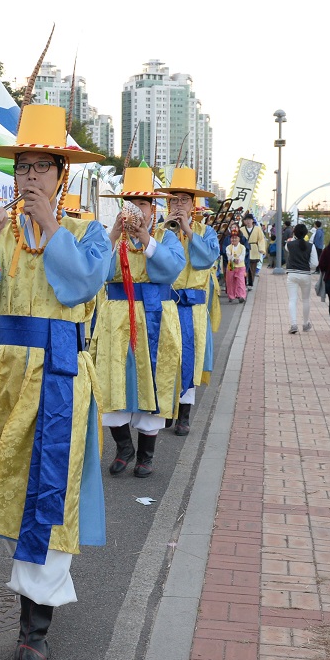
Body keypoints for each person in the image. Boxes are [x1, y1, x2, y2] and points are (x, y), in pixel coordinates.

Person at [0, 103, 110, 660]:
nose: (30, 177)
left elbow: (84, 284)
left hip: (60, 377)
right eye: (23, 166)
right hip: (5, 376)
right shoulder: (2, 230)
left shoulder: (88, 232)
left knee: (50, 489)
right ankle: (30, 610)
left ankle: (34, 627)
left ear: (62, 174)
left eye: (42, 166)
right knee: (15, 486)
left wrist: (50, 226)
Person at [91, 164, 182, 477]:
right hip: (116, 317)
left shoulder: (165, 238)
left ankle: (146, 454)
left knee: (151, 381)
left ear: (153, 208)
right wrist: (113, 234)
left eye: (142, 203)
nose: (135, 209)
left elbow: (171, 270)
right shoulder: (110, 237)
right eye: (129, 202)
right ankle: (123, 446)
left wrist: (146, 238)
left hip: (154, 317)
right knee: (114, 380)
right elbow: (95, 273)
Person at [163, 167, 220, 435]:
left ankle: (184, 413)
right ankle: (165, 408)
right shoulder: (160, 231)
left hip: (193, 308)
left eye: (184, 200)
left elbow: (205, 259)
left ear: (193, 203)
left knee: (190, 358)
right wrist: (170, 232)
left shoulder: (206, 232)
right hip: (166, 305)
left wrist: (187, 229)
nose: (178, 205)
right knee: (166, 358)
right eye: (174, 200)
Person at [284, 223, 319, 335]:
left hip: (292, 274)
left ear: (294, 233)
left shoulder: (289, 244)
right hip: (305, 274)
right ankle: (305, 323)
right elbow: (315, 263)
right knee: (305, 300)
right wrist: (310, 269)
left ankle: (293, 324)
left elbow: (287, 247)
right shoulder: (311, 246)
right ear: (306, 234)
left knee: (292, 300)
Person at [224, 227, 248, 303]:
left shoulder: (242, 247)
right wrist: (233, 259)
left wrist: (239, 260)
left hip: (240, 266)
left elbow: (242, 255)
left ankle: (241, 295)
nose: (234, 240)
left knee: (240, 281)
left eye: (235, 238)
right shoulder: (228, 247)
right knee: (230, 281)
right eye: (232, 238)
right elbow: (228, 255)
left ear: (239, 239)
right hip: (231, 265)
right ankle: (231, 295)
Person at [242, 213, 266, 287]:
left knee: (252, 268)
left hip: (254, 249)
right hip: (244, 250)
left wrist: (261, 249)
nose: (248, 221)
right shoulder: (241, 229)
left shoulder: (257, 229)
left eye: (250, 219)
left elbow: (261, 239)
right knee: (244, 267)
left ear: (253, 220)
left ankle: (251, 283)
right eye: (246, 220)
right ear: (244, 221)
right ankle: (244, 283)